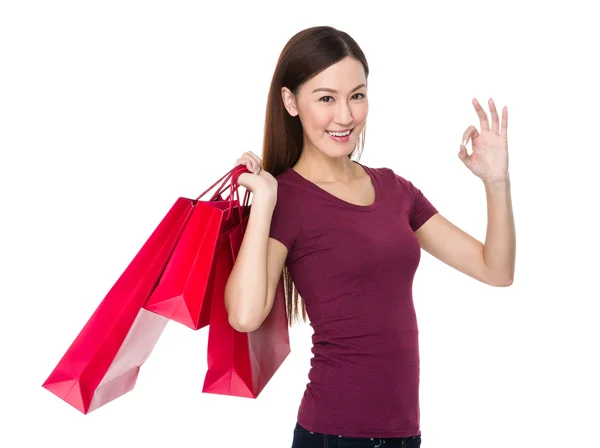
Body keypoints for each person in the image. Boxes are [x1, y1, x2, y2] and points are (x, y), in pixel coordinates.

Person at [224, 26, 515, 448]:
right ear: (291, 101)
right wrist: (265, 200)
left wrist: (497, 182)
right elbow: (245, 315)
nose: (345, 116)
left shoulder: (396, 190)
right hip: (335, 433)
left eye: (356, 96)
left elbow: (496, 270)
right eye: (326, 98)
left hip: (403, 433)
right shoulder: (287, 199)